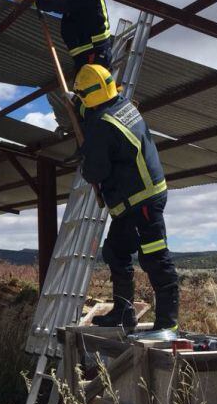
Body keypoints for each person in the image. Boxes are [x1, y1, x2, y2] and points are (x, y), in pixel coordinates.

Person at [74, 64, 179, 335]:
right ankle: (123, 313)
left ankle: (168, 323)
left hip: (141, 200)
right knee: (115, 251)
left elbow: (95, 170)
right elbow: (94, 112)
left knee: (155, 256)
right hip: (136, 199)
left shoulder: (102, 126)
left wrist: (84, 156)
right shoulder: (122, 104)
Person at [13, 0, 113, 74]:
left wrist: (27, 0)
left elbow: (56, 4)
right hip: (85, 55)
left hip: (95, 54)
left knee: (92, 90)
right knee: (83, 90)